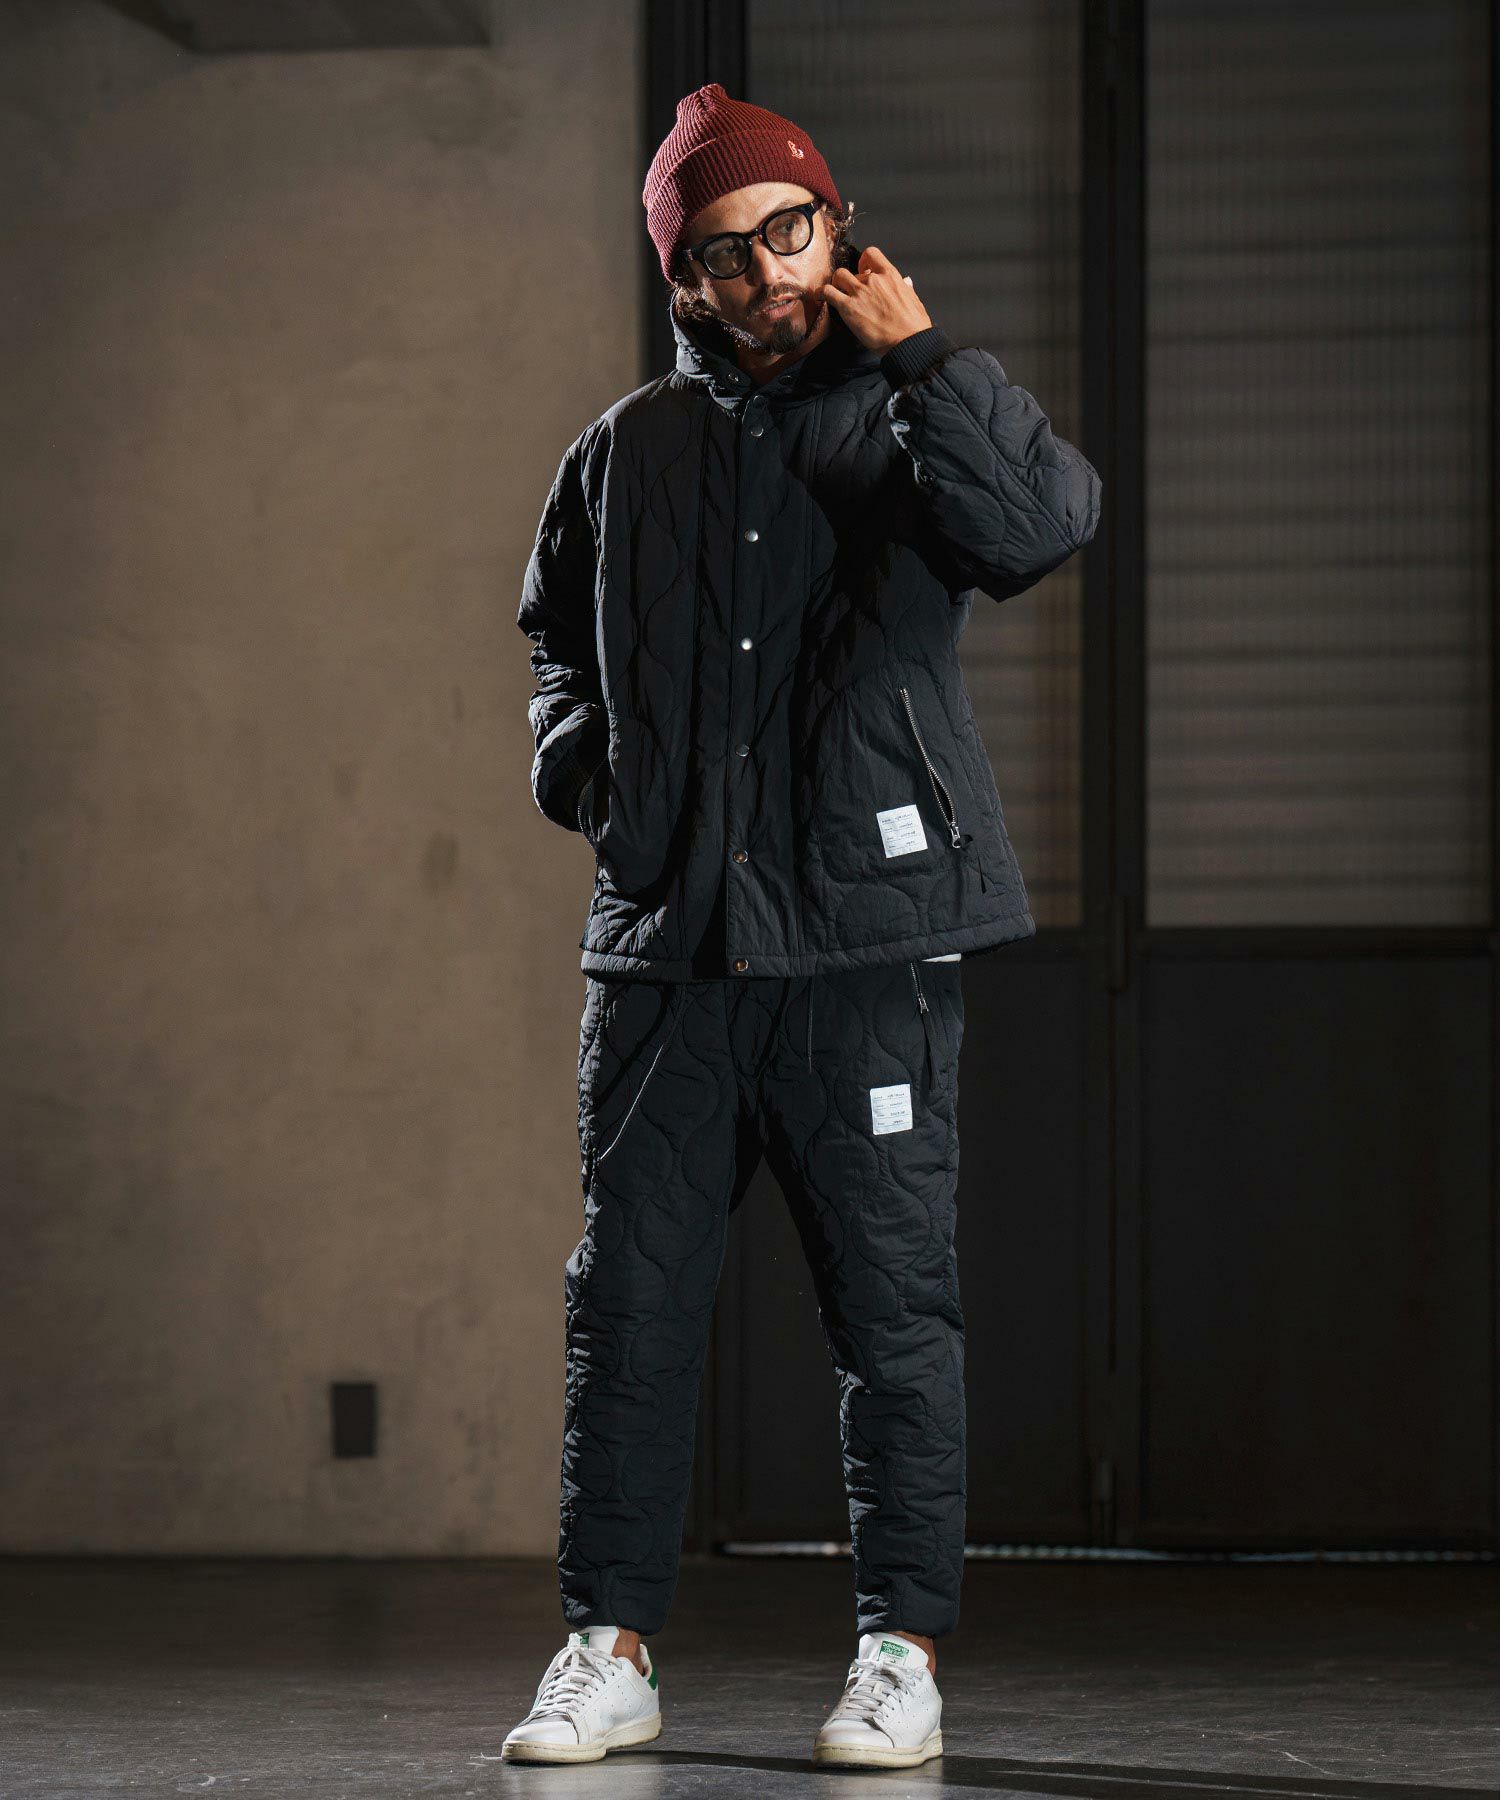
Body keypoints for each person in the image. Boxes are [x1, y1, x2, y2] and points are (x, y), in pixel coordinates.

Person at [504, 82, 1101, 1769]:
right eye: (722, 250)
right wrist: (591, 777)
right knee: (628, 1307)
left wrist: (927, 361)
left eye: (787, 229)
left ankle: (899, 1654)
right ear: (680, 276)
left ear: (836, 229)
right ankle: (607, 1648)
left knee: (894, 1315)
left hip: (868, 947)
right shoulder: (626, 450)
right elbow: (553, 645)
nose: (764, 271)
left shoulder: (907, 416)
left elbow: (1045, 526)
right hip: (668, 955)